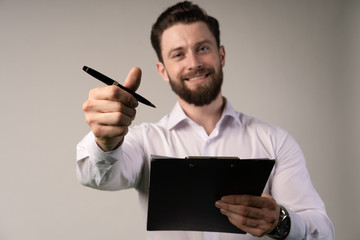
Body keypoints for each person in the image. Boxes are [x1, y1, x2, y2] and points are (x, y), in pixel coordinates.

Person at [76, 1, 334, 239]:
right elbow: (97, 177)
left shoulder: (275, 140)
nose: (194, 63)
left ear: (221, 55)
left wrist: (281, 222)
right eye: (178, 54)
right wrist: (106, 143)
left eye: (202, 48)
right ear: (163, 71)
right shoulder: (143, 141)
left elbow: (323, 231)